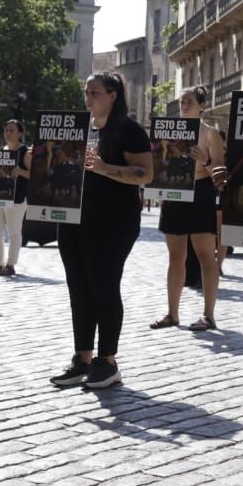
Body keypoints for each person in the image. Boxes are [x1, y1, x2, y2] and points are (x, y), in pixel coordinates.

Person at [47, 72, 153, 392]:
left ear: (113, 95)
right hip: (74, 218)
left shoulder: (128, 131)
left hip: (114, 221)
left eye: (95, 92)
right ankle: (83, 359)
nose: (88, 98)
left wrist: (105, 168)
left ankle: (107, 361)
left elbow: (144, 173)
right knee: (78, 288)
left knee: (104, 287)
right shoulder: (79, 129)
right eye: (86, 92)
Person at [153, 85, 228, 332]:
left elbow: (218, 171)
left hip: (201, 192)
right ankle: (172, 313)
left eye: (189, 102)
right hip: (175, 194)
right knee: (176, 257)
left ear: (201, 105)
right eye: (182, 102)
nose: (184, 106)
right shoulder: (170, 131)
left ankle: (209, 315)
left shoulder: (210, 134)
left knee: (206, 256)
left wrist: (203, 160)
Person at [0, 119, 29, 276]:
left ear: (20, 133)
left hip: (17, 198)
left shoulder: (25, 152)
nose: (8, 133)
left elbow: (36, 175)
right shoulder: (0, 150)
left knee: (14, 232)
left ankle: (10, 265)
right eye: (6, 130)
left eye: (12, 130)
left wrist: (21, 172)